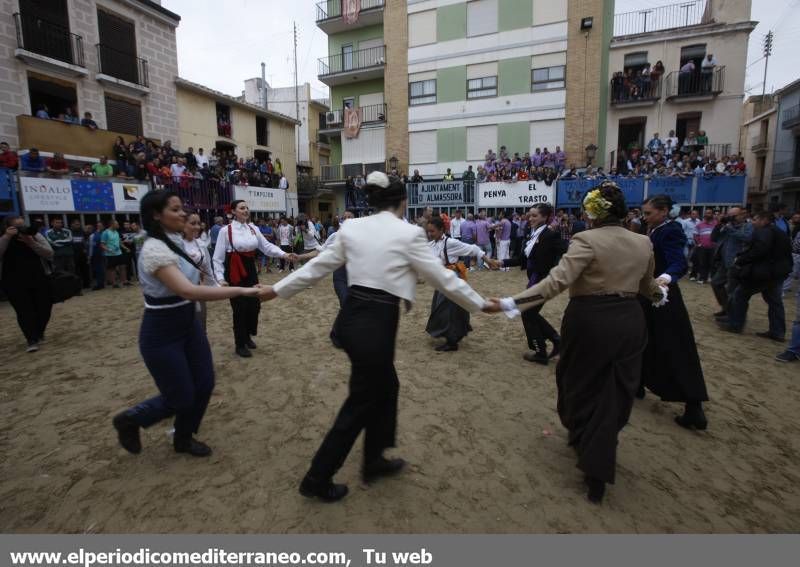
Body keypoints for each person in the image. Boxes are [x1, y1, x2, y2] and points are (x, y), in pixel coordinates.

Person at [258, 172, 490, 502]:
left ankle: (374, 458)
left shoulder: (352, 227)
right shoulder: (409, 232)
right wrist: (481, 304)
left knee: (386, 387)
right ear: (400, 202)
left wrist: (276, 289)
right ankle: (318, 477)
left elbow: (319, 267)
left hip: (352, 318)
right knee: (361, 402)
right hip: (377, 322)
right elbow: (442, 278)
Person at [485, 182, 667, 503]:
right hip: (629, 320)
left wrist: (511, 303)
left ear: (593, 213)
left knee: (578, 381)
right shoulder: (643, 242)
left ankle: (585, 441)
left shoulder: (586, 239)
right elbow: (646, 284)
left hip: (590, 320)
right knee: (616, 388)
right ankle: (598, 451)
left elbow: (557, 282)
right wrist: (659, 294)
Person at [112, 191, 269, 458]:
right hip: (162, 330)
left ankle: (183, 437)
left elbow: (206, 279)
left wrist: (227, 283)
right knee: (181, 396)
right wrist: (240, 291)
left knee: (205, 383)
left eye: (182, 208)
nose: (183, 214)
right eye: (175, 210)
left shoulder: (178, 241)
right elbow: (187, 290)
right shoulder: (154, 248)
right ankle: (132, 419)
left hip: (188, 323)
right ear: (156, 215)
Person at [639, 194, 709, 430]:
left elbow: (678, 262)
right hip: (648, 293)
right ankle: (637, 382)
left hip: (663, 296)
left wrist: (665, 279)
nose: (645, 217)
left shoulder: (671, 230)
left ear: (664, 211)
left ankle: (693, 404)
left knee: (674, 345)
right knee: (642, 338)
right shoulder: (654, 230)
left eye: (649, 213)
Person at [212, 200, 295, 358]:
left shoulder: (253, 228)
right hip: (234, 269)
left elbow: (267, 247)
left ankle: (248, 335)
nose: (246, 210)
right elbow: (217, 258)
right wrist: (221, 278)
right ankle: (240, 343)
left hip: (250, 268)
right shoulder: (226, 231)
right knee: (239, 308)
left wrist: (284, 255)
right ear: (234, 212)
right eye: (242, 208)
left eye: (247, 207)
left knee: (254, 305)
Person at [425, 216, 499, 352]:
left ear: (441, 230)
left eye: (432, 231)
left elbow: (474, 249)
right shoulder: (431, 244)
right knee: (446, 309)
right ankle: (451, 338)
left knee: (449, 311)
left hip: (452, 278)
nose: (429, 234)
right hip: (442, 280)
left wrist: (487, 260)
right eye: (428, 231)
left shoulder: (451, 243)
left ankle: (452, 342)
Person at [502, 204, 562, 364]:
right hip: (534, 281)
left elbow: (562, 254)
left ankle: (541, 351)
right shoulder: (533, 234)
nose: (530, 218)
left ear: (545, 217)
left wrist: (553, 274)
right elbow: (522, 259)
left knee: (528, 312)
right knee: (529, 312)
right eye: (530, 215)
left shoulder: (550, 235)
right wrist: (501, 262)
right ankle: (556, 342)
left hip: (543, 281)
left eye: (534, 216)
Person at [720, 211, 792, 340]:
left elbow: (759, 250)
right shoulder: (778, 232)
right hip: (776, 272)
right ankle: (777, 332)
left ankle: (735, 325)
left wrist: (741, 259)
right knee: (775, 302)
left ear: (764, 220)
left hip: (764, 272)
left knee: (740, 295)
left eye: (755, 219)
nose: (752, 222)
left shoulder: (764, 232)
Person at [710, 207, 752, 317]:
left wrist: (730, 229)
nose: (730, 218)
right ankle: (726, 307)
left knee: (732, 290)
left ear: (742, 215)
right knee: (716, 283)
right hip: (724, 262)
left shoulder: (748, 226)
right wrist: (719, 224)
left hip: (736, 263)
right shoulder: (727, 226)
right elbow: (714, 238)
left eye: (733, 216)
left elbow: (748, 238)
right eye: (729, 215)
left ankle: (732, 316)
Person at [182, 212, 218, 331]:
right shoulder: (176, 244)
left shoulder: (201, 244)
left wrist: (215, 286)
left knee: (201, 325)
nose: (197, 227)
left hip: (198, 290)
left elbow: (208, 269)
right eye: (193, 223)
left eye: (198, 223)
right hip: (179, 292)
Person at [101, 220, 130, 288]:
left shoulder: (116, 232)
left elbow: (119, 242)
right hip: (110, 254)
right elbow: (102, 245)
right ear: (112, 225)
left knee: (122, 266)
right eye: (116, 224)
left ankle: (124, 281)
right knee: (112, 269)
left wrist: (125, 248)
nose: (118, 225)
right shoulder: (105, 233)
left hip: (119, 253)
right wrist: (109, 250)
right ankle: (114, 283)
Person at [88, 222, 106, 290]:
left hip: (105, 254)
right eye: (98, 226)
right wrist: (90, 256)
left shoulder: (106, 234)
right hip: (96, 254)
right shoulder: (92, 235)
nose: (99, 227)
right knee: (98, 270)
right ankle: (100, 284)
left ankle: (103, 283)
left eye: (101, 226)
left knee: (104, 269)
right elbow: (91, 247)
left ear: (103, 226)